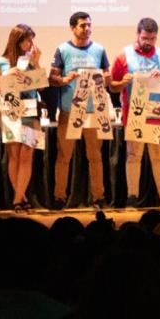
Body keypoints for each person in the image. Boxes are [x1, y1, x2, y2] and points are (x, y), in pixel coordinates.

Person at [111, 17, 160, 207]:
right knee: (133, 156)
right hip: (134, 113)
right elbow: (112, 85)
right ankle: (132, 196)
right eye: (145, 38)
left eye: (152, 39)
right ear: (137, 34)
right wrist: (122, 82)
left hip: (156, 113)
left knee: (158, 157)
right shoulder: (124, 55)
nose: (148, 42)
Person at [49, 11, 110, 208]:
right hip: (70, 110)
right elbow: (52, 78)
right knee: (64, 156)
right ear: (73, 28)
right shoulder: (62, 49)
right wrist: (64, 79)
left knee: (95, 156)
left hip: (94, 111)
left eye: (89, 25)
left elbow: (107, 75)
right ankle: (59, 196)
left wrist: (105, 78)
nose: (87, 29)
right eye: (83, 25)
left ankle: (98, 197)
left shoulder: (99, 49)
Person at [0, 24, 42, 212]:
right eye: (28, 39)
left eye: (31, 40)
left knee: (27, 154)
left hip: (31, 109)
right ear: (18, 40)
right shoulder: (1, 61)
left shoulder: (32, 60)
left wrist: (36, 64)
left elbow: (42, 87)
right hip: (10, 110)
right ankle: (20, 198)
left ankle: (17, 199)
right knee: (14, 156)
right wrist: (7, 75)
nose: (31, 44)